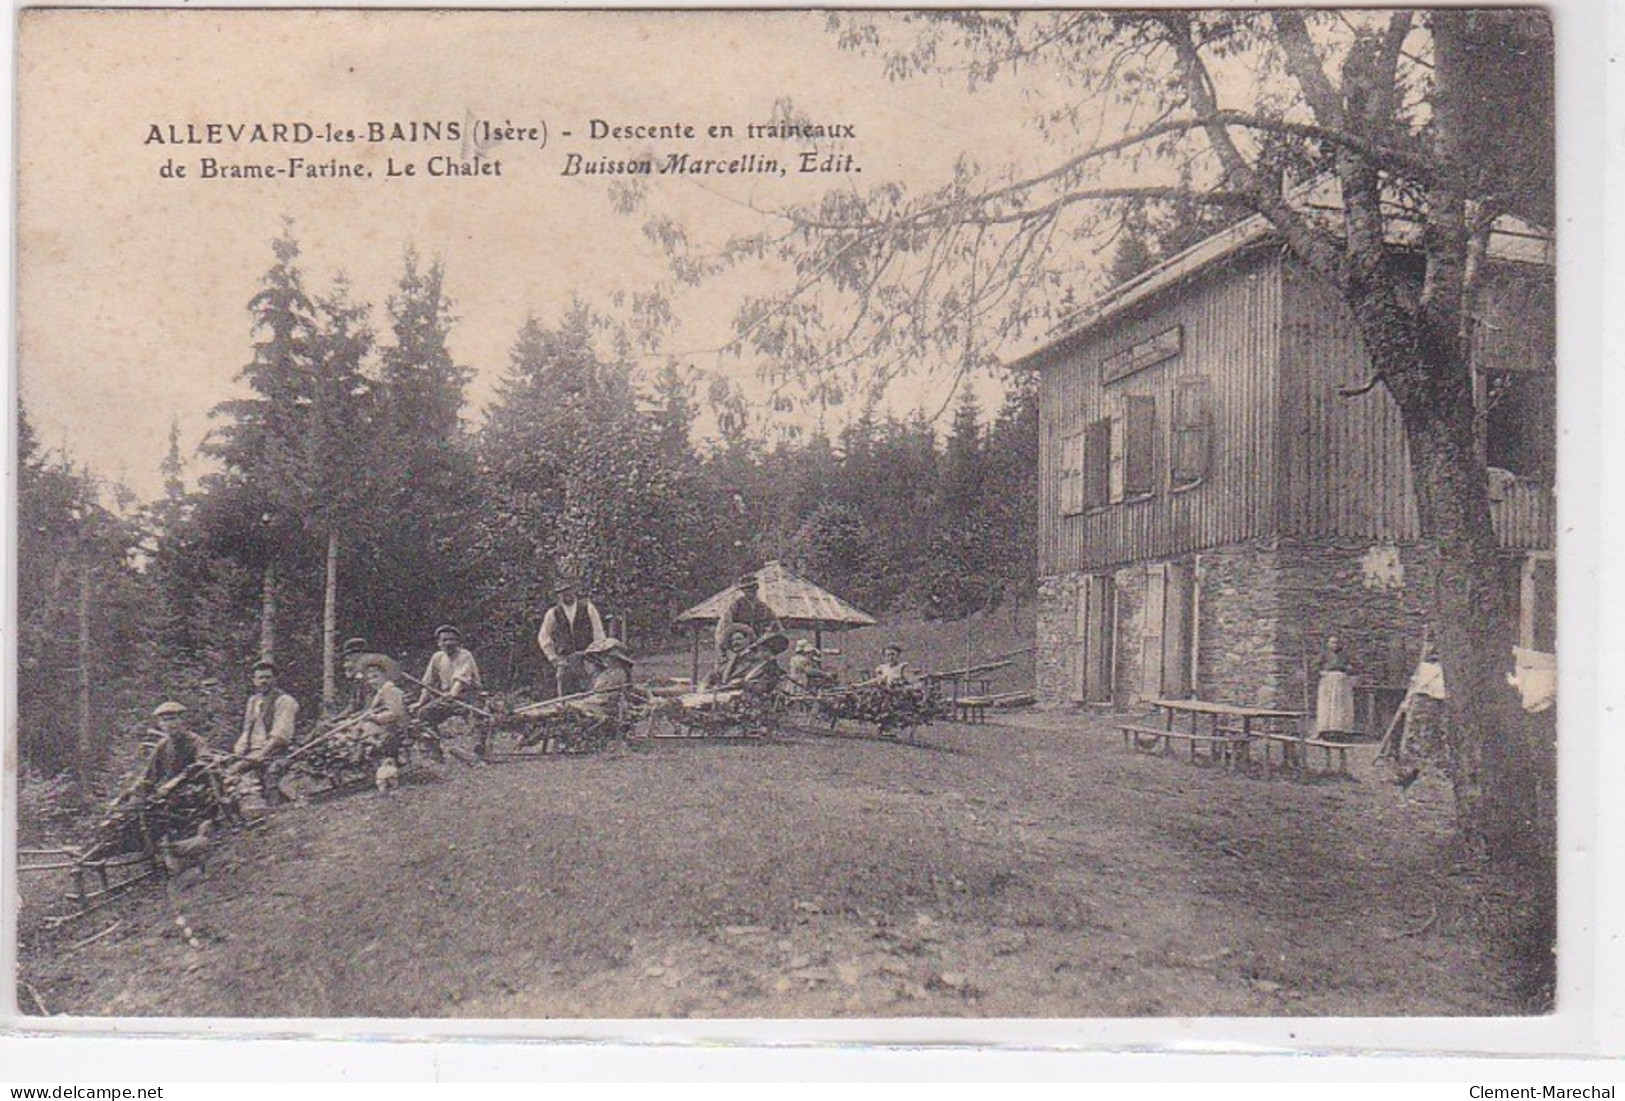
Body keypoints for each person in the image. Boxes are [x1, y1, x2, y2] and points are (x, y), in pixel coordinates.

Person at [234, 660, 299, 809]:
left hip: (278, 751)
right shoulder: (253, 701)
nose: (263, 681)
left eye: (268, 677)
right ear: (254, 680)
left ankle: (274, 809)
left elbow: (280, 735)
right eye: (260, 678)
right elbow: (247, 730)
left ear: (275, 679)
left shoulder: (284, 701)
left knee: (267, 774)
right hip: (254, 751)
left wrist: (261, 753)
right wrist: (239, 751)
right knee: (228, 774)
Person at [538, 570, 606, 698]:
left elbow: (599, 633)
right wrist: (553, 658)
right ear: (558, 595)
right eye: (562, 592)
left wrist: (596, 653)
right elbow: (543, 637)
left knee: (592, 693)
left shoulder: (588, 608)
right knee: (564, 693)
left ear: (575, 591)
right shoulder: (553, 613)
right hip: (566, 659)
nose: (566, 594)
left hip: (587, 657)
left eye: (568, 590)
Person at [135, 700, 209, 796]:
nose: (170, 724)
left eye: (173, 719)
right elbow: (150, 775)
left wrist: (177, 781)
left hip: (193, 792)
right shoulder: (163, 745)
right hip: (169, 794)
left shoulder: (195, 741)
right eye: (165, 720)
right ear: (160, 724)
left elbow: (203, 763)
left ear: (182, 721)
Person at [357, 657, 410, 785]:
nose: (372, 681)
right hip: (383, 726)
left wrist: (374, 718)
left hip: (394, 727)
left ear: (385, 675)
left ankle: (384, 770)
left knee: (362, 736)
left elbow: (395, 713)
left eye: (375, 676)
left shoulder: (391, 691)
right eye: (369, 678)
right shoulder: (380, 693)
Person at [715, 573, 779, 665]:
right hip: (739, 641)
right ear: (743, 590)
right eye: (747, 588)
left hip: (758, 643)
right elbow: (725, 626)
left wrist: (767, 632)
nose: (751, 590)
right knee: (731, 663)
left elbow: (774, 623)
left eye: (753, 587)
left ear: (757, 588)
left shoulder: (763, 607)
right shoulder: (737, 605)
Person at [1315, 635, 1356, 736]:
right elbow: (1315, 666)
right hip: (1328, 681)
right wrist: (1321, 672)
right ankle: (1325, 729)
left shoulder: (1345, 655)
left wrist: (1349, 669)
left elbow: (1354, 666)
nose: (1335, 645)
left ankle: (1341, 729)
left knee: (1341, 705)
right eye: (1332, 642)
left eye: (1337, 642)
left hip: (1342, 682)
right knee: (1327, 705)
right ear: (1328, 644)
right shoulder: (1324, 654)